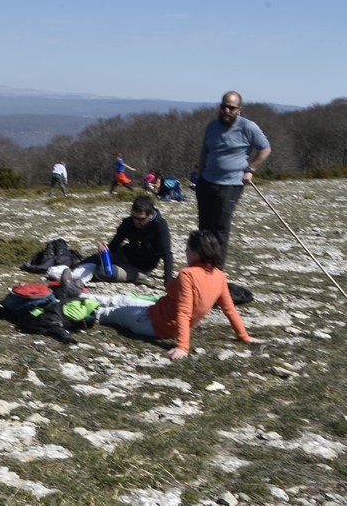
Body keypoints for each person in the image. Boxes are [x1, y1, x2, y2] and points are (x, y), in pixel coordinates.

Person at [90, 230, 262, 359]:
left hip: (155, 324)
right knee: (124, 299)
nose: (185, 251)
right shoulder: (219, 275)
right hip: (158, 312)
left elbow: (184, 311)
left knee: (110, 313)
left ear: (196, 252)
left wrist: (182, 347)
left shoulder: (188, 274)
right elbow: (229, 309)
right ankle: (84, 296)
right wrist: (243, 336)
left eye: (187, 248)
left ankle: (74, 305)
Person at [196, 91, 271, 268]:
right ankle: (202, 267)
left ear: (239, 109)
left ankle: (217, 272)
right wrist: (200, 175)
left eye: (231, 107)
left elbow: (265, 149)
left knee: (220, 227)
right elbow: (204, 151)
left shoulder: (248, 127)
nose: (226, 110)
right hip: (207, 181)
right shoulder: (212, 126)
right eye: (223, 106)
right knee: (204, 228)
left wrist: (250, 169)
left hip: (231, 183)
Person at [92, 195, 175, 285]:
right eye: (134, 217)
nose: (136, 222)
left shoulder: (159, 225)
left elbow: (167, 254)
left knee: (102, 272)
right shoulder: (129, 222)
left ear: (150, 215)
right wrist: (105, 250)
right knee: (93, 260)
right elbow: (114, 245)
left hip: (140, 268)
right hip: (125, 255)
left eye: (141, 219)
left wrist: (168, 282)